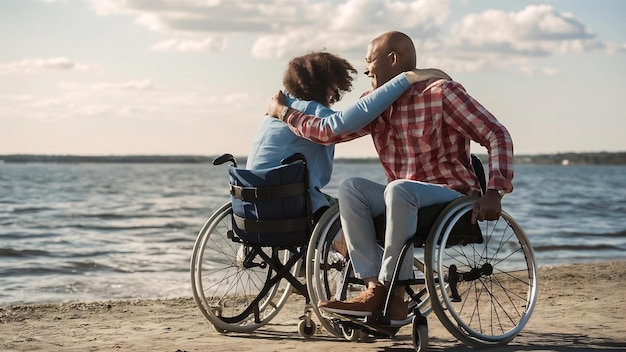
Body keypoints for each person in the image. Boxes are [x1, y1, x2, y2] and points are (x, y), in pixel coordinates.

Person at [266, 31, 514, 323]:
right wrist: (285, 113)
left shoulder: (442, 92)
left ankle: (388, 289)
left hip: (451, 193)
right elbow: (328, 132)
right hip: (404, 196)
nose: (366, 69)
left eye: (370, 61)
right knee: (352, 188)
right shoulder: (375, 104)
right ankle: (374, 288)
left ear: (393, 59)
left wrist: (494, 192)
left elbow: (496, 134)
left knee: (397, 190)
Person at [248, 50, 451, 220]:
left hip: (254, 203)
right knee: (356, 218)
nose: (335, 94)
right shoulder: (308, 109)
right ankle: (369, 266)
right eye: (334, 87)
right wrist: (406, 79)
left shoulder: (277, 111)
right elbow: (342, 123)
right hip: (291, 203)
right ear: (322, 84)